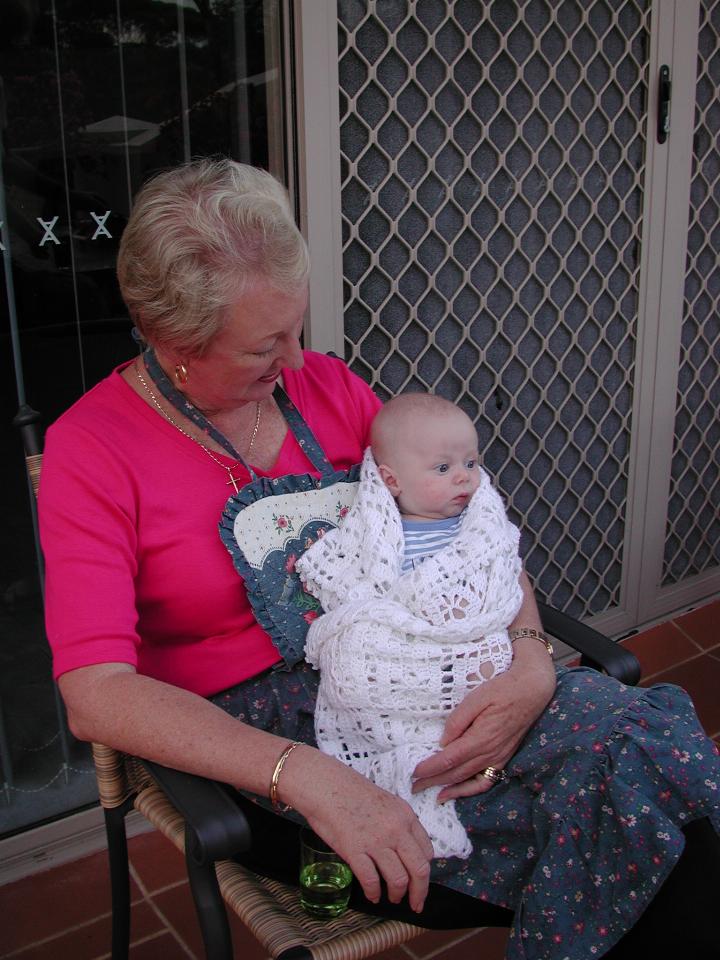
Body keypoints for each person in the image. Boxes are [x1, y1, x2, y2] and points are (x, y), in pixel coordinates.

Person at [38, 157, 720, 960]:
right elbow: (96, 694)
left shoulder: (329, 389)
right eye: (265, 349)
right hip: (276, 751)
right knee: (656, 828)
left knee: (650, 760)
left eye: (299, 329)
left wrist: (532, 661)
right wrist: (310, 778)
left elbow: (473, 535)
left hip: (430, 674)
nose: (298, 362)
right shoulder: (93, 450)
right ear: (172, 341)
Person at [299, 394, 531, 860]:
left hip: (471, 650)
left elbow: (502, 573)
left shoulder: (475, 527)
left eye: (470, 461)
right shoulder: (379, 532)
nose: (465, 476)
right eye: (442, 469)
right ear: (391, 481)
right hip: (401, 654)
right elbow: (353, 588)